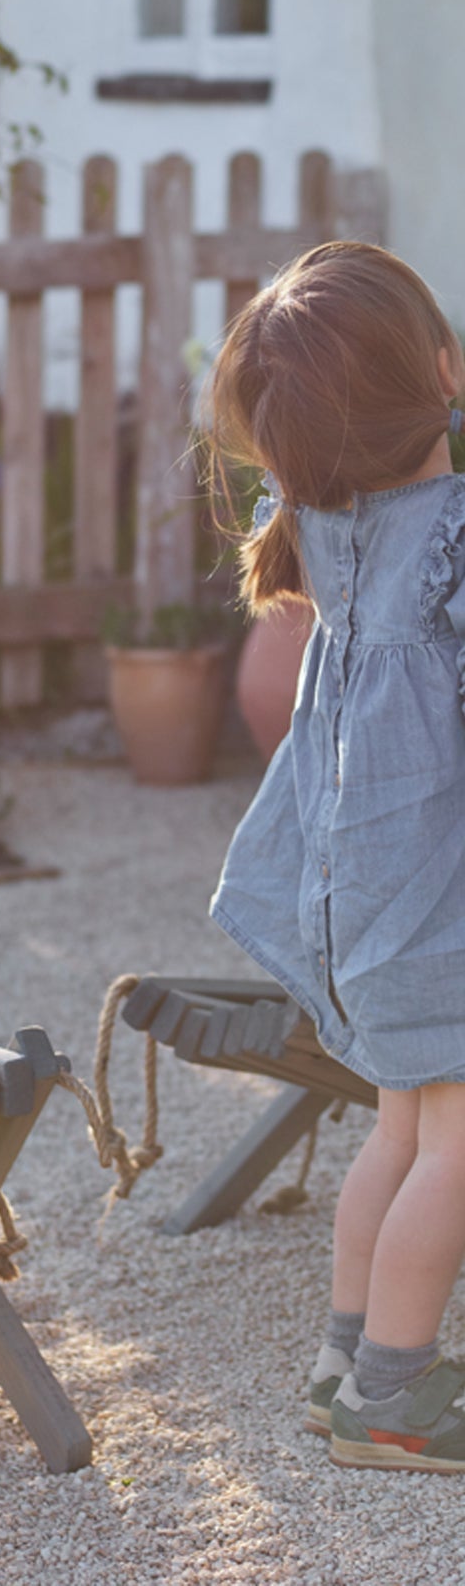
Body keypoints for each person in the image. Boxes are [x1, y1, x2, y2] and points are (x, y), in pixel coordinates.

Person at [205, 240, 465, 1471]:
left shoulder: (321, 526)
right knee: (456, 1148)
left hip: (363, 904)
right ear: (448, 372)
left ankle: (344, 1364)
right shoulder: (453, 537)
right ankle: (398, 1398)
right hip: (438, 911)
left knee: (403, 1133)